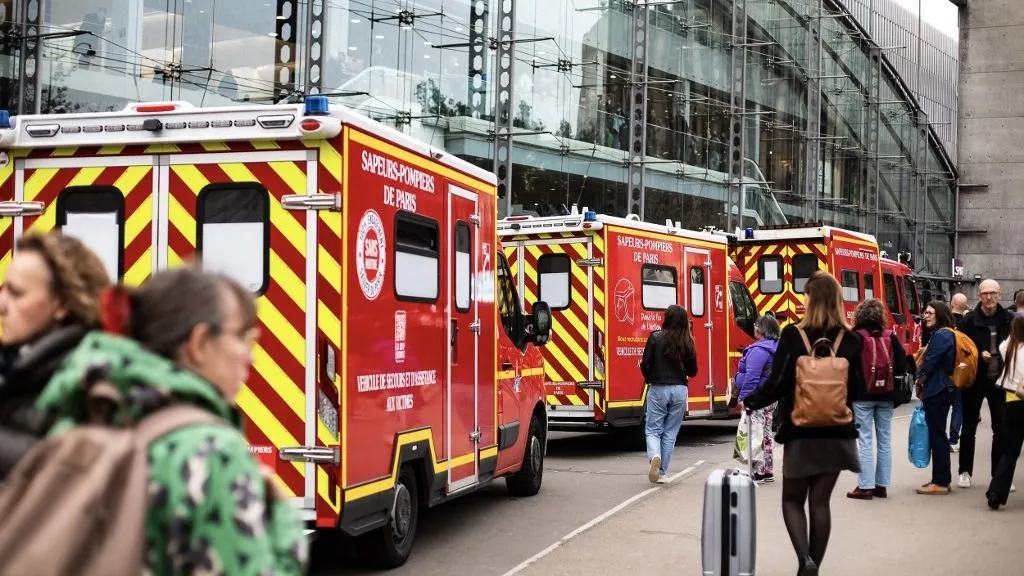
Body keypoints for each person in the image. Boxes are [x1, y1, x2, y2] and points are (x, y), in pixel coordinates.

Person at [35, 267, 308, 575]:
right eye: (243, 337)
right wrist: (284, 523)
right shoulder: (213, 454)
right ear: (200, 343)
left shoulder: (73, 426)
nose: (251, 356)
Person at [744, 271, 862, 576]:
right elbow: (859, 388)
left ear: (811, 299)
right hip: (838, 433)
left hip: (801, 431)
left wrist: (753, 400)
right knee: (820, 503)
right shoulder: (851, 339)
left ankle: (804, 560)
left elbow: (779, 382)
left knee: (793, 500)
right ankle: (813, 568)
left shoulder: (793, 335)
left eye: (805, 295)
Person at [0, 231, 110, 479]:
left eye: (17, 294)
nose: (2, 304)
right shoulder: (19, 365)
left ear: (61, 305)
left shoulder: (85, 380)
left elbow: (65, 473)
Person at [846, 299, 909, 500]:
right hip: (887, 395)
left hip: (861, 396)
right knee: (885, 440)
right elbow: (902, 365)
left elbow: (845, 366)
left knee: (864, 440)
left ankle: (865, 487)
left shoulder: (855, 337)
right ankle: (881, 485)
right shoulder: (890, 336)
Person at [956, 279, 1013, 489]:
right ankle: (964, 471)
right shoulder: (968, 320)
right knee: (969, 426)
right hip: (975, 380)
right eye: (984, 293)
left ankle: (998, 475)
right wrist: (979, 355)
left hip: (999, 381)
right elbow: (960, 349)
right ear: (979, 296)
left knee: (1001, 428)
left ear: (1000, 295)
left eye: (992, 293)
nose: (988, 298)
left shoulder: (1009, 319)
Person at [640, 304, 698, 485]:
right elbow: (693, 371)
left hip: (658, 387)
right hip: (680, 389)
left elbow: (645, 364)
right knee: (670, 432)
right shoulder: (688, 341)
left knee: (652, 429)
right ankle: (662, 471)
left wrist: (650, 378)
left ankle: (655, 456)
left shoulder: (655, 337)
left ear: (667, 318)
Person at [914, 301, 957, 495]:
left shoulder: (942, 335)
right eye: (925, 313)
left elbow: (930, 363)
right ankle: (940, 480)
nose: (926, 316)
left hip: (937, 389)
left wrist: (919, 380)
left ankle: (940, 482)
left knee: (937, 435)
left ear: (940, 314)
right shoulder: (946, 333)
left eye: (930, 313)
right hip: (942, 388)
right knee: (938, 433)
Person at [733, 314, 780, 483]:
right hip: (770, 397)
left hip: (757, 397)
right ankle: (768, 470)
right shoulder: (776, 347)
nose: (753, 328)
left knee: (756, 433)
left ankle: (758, 471)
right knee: (766, 432)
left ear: (761, 330)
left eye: (755, 326)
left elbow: (752, 378)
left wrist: (744, 398)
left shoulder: (759, 351)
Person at [987, 315, 1024, 509]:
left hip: (1012, 402)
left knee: (1009, 452)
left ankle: (996, 492)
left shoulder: (1007, 348)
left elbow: (1008, 340)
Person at [948, 293, 970, 452]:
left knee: (940, 407)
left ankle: (939, 439)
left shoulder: (944, 321)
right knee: (958, 406)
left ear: (951, 303)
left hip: (944, 370)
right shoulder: (968, 323)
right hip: (961, 370)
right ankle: (953, 440)